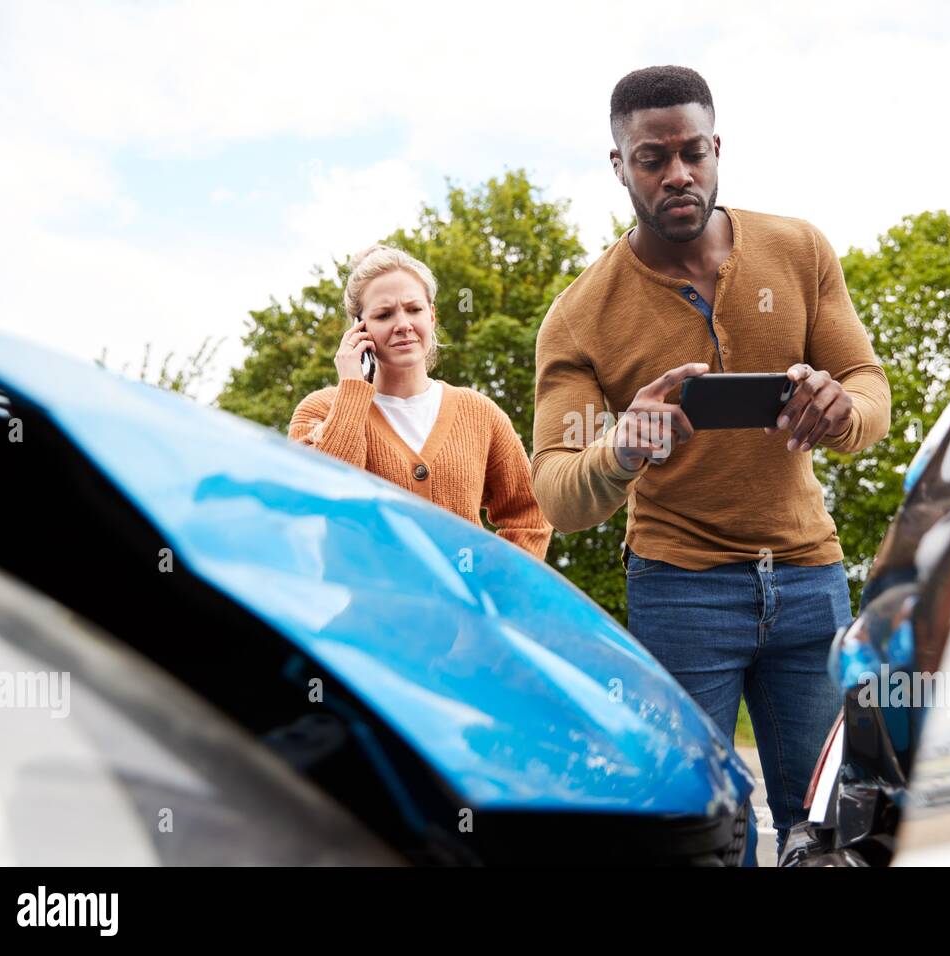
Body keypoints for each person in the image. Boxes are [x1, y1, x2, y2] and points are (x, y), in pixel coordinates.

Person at [530, 66, 891, 861]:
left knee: (829, 831)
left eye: (693, 152)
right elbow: (558, 492)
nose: (677, 174)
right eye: (652, 158)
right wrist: (623, 445)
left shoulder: (799, 250)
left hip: (809, 578)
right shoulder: (579, 315)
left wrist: (842, 408)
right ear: (619, 166)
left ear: (717, 147)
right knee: (699, 839)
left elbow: (870, 392)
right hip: (681, 591)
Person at [290, 242, 551, 560]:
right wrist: (351, 389)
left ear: (431, 315)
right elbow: (327, 500)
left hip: (461, 609)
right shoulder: (320, 410)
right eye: (384, 314)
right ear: (360, 328)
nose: (403, 324)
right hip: (367, 607)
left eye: (413, 309)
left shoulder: (479, 413)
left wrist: (496, 586)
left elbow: (529, 516)